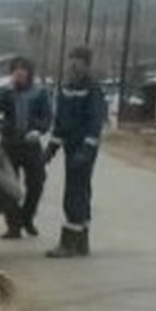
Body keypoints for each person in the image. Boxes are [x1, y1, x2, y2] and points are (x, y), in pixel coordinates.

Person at [44, 45, 107, 258]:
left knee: (75, 194)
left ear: (86, 65)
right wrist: (51, 149)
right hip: (71, 147)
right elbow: (61, 123)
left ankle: (69, 244)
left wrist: (86, 151)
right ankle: (81, 242)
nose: (72, 65)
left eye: (77, 61)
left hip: (83, 150)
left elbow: (95, 122)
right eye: (71, 60)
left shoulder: (92, 89)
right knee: (80, 191)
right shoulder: (66, 87)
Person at [0, 56, 52, 239]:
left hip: (31, 144)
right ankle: (13, 225)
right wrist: (2, 94)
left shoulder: (40, 93)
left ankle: (27, 218)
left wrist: (38, 130)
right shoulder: (4, 91)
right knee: (9, 186)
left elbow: (47, 117)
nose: (20, 73)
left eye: (23, 70)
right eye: (16, 70)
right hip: (9, 143)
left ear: (29, 73)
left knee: (36, 183)